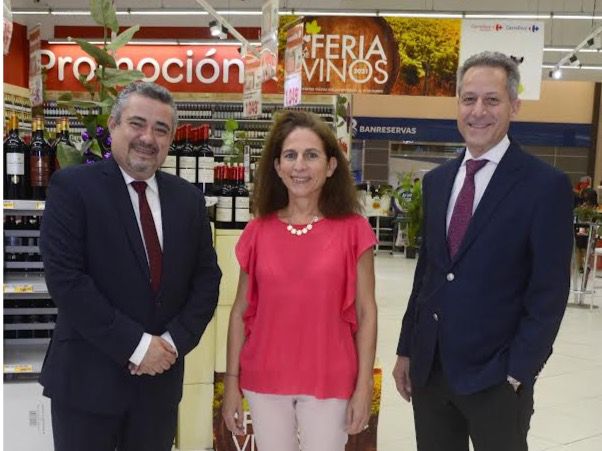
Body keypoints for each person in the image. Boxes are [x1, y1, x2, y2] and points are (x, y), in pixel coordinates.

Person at [392, 51, 574, 451]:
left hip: (497, 378)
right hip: (432, 372)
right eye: (468, 98)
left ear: (514, 105)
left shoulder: (544, 187)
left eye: (491, 100)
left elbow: (549, 292)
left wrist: (519, 371)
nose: (478, 111)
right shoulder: (437, 182)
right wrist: (407, 349)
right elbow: (428, 274)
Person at [39, 81, 221, 451]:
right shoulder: (73, 188)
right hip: (87, 385)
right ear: (114, 125)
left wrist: (169, 345)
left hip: (158, 388)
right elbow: (67, 281)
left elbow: (206, 280)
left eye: (161, 129)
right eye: (137, 124)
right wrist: (138, 347)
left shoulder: (187, 200)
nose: (148, 138)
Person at [221, 110, 377, 451]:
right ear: (277, 167)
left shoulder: (354, 230)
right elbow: (238, 313)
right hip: (264, 378)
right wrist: (232, 383)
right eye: (290, 155)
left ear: (331, 166)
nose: (300, 166)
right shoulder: (257, 232)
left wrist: (364, 386)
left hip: (329, 377)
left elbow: (366, 313)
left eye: (311, 155)